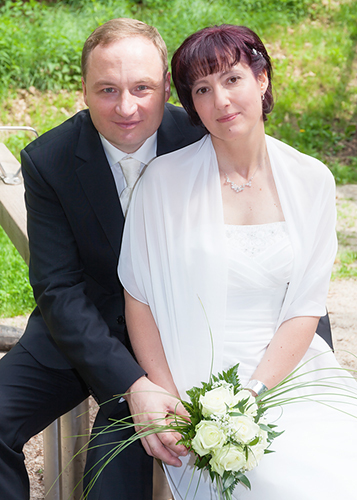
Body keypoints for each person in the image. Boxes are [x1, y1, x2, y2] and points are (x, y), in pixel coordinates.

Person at [118, 25, 357, 499]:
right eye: (202, 90)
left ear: (261, 78)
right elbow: (139, 298)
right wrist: (172, 398)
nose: (221, 101)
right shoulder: (162, 182)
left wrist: (252, 394)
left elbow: (304, 308)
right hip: (196, 387)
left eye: (231, 79)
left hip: (287, 375)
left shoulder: (312, 179)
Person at [0, 18, 206, 500]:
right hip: (76, 337)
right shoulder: (47, 159)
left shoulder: (202, 140)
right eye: (108, 89)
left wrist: (146, 380)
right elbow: (58, 290)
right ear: (85, 91)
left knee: (109, 476)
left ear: (167, 88)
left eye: (142, 88)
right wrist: (129, 381)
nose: (126, 107)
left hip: (174, 343)